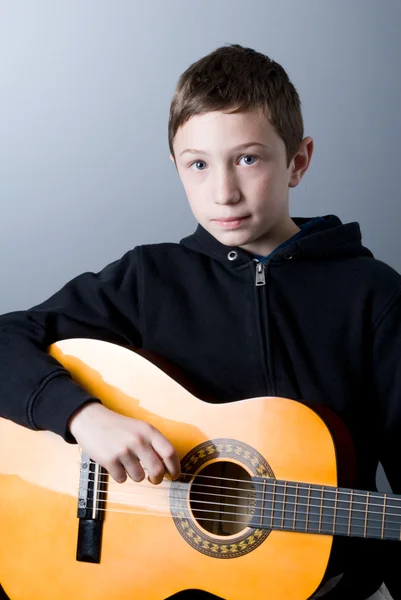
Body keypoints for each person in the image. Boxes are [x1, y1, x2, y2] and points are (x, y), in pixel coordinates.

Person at [0, 43, 399, 600]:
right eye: (198, 164)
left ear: (299, 160)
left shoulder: (374, 295)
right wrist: (82, 416)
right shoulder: (148, 278)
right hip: (145, 577)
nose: (223, 192)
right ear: (176, 166)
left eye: (249, 159)